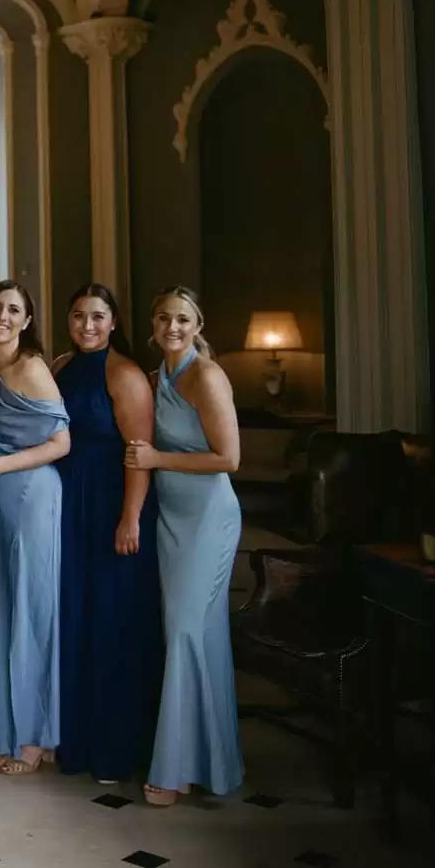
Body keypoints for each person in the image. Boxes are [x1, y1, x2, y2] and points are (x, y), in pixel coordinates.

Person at [125, 286, 244, 804]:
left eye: (182, 319)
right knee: (196, 634)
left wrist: (156, 461)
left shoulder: (206, 376)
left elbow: (229, 459)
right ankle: (212, 763)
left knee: (188, 630)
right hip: (170, 518)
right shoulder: (158, 379)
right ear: (153, 326)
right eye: (163, 318)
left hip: (207, 518)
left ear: (198, 325)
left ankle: (175, 769)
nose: (172, 327)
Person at [55, 283, 161, 784]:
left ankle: (117, 748)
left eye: (97, 316)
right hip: (70, 505)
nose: (87, 326)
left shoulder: (124, 373)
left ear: (114, 321)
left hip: (113, 504)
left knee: (114, 621)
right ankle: (75, 742)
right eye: (78, 316)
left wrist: (131, 517)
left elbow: (140, 451)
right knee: (77, 619)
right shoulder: (60, 367)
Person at [0, 281, 70, 775]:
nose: (3, 316)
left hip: (31, 494)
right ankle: (3, 729)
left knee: (32, 609)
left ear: (27, 321)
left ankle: (34, 739)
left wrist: (3, 467)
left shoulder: (31, 368)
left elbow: (61, 442)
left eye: (14, 310)